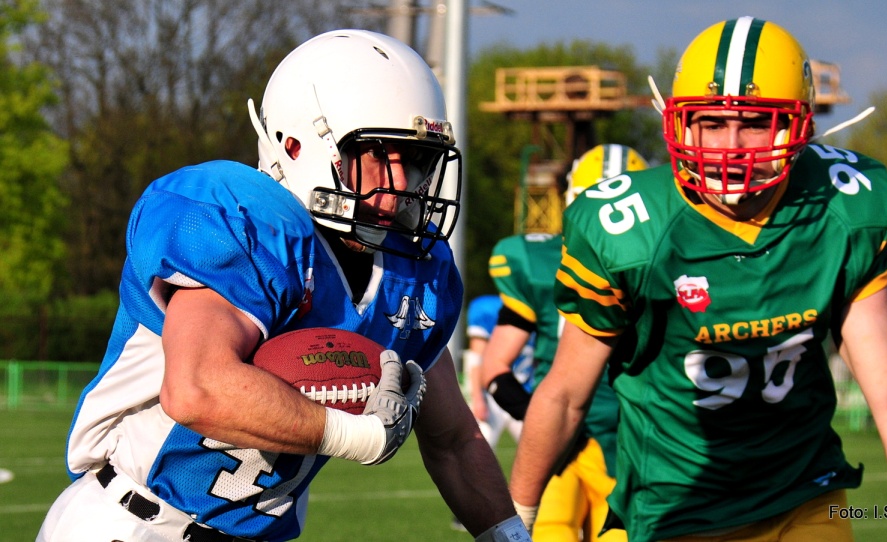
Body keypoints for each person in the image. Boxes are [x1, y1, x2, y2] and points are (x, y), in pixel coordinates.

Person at [38, 29, 528, 542]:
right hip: (137, 525)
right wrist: (358, 436)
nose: (403, 186)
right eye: (381, 156)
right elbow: (196, 388)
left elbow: (453, 440)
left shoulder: (411, 272)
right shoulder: (250, 225)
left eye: (418, 160)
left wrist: (510, 536)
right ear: (300, 144)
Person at [509, 15, 887, 542]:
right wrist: (516, 519)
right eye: (712, 123)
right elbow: (565, 394)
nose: (732, 146)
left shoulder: (845, 207)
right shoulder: (628, 229)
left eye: (753, 122)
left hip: (804, 495)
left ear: (798, 126)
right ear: (680, 123)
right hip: (677, 509)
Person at [483, 144, 647, 541]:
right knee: (548, 532)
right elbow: (494, 370)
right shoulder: (535, 262)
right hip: (562, 451)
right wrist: (543, 422)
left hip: (635, 444)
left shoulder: (665, 263)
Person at [452, 294, 534, 532]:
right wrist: (477, 397)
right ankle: (468, 513)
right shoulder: (487, 307)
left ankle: (544, 508)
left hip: (526, 394)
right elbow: (477, 357)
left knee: (543, 452)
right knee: (477, 451)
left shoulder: (538, 301)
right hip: (493, 395)